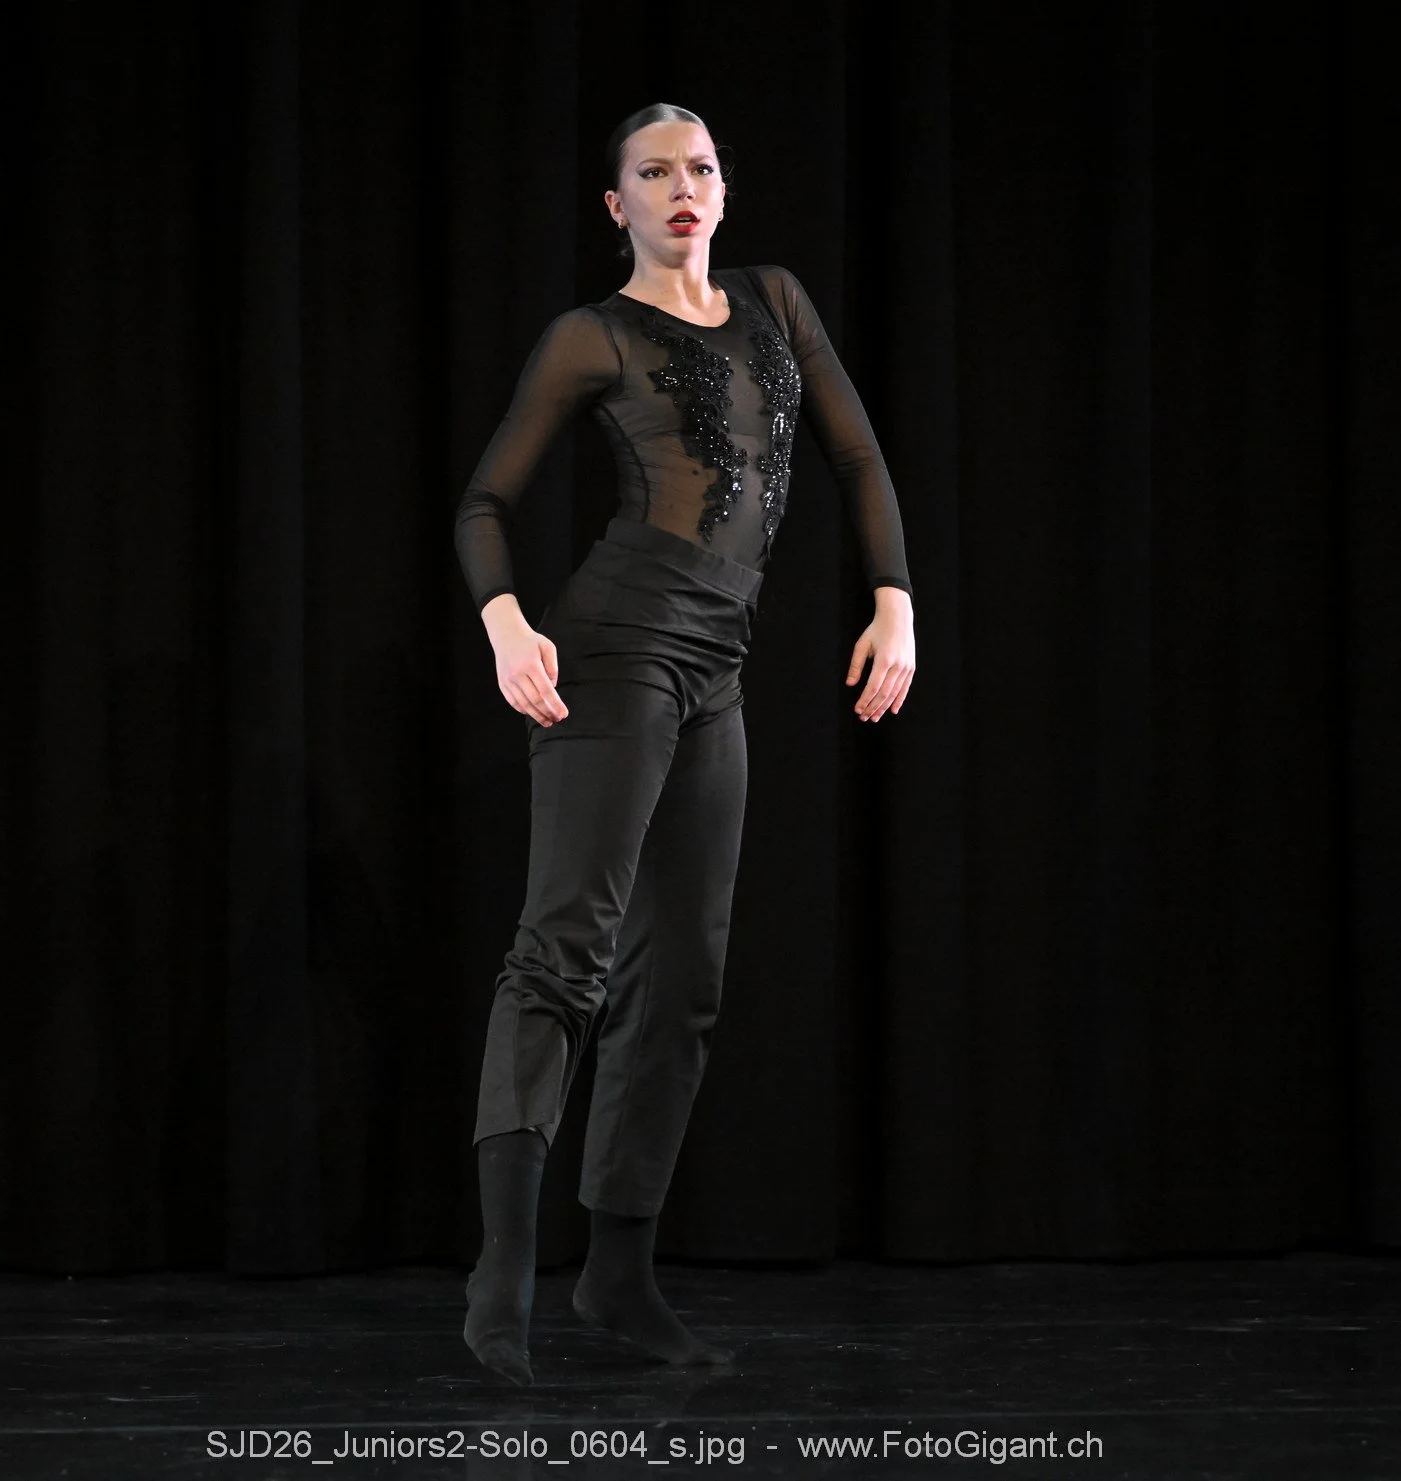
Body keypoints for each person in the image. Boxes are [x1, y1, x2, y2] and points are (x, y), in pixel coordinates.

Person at [456, 102, 918, 1386]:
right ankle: (501, 1274)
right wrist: (504, 622)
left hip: (716, 664)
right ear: (616, 206)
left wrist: (893, 597)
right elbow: (484, 502)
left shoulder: (775, 300)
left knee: (684, 978)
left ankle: (616, 1271)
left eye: (700, 166)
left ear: (722, 187)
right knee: (564, 952)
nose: (682, 187)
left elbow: (856, 455)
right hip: (614, 648)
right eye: (653, 172)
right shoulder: (593, 334)